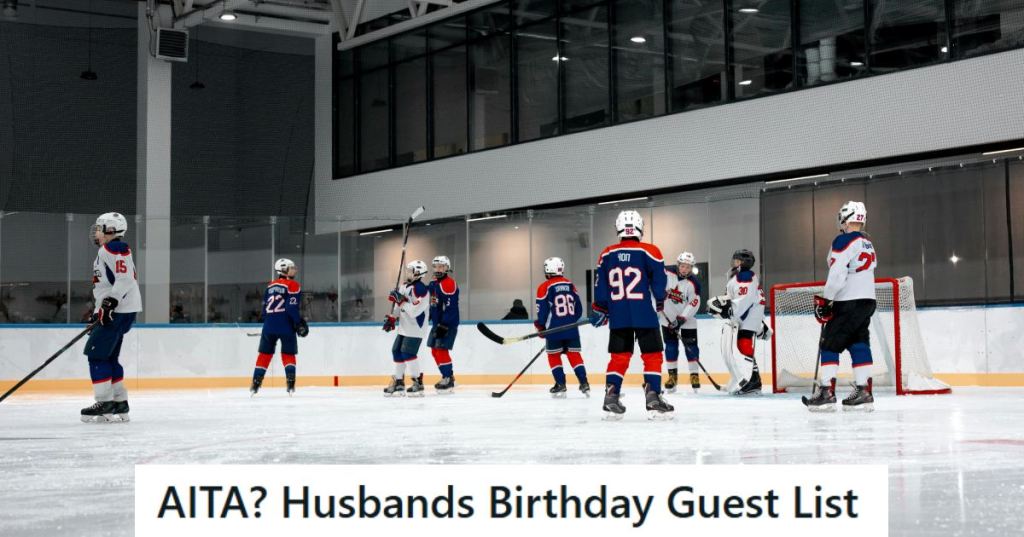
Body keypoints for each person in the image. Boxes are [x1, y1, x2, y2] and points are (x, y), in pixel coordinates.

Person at [589, 210, 674, 420]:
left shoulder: (606, 254)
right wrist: (660, 299)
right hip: (644, 312)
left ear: (619, 229)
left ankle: (611, 396)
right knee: (652, 355)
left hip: (619, 314)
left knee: (619, 357)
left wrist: (601, 308)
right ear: (640, 228)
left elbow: (601, 287)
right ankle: (653, 395)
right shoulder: (651, 251)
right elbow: (659, 284)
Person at [804, 201, 877, 412]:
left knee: (829, 344)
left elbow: (837, 274)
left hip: (848, 301)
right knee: (858, 341)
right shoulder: (867, 243)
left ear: (845, 219)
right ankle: (864, 391)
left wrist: (827, 300)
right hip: (867, 301)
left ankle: (826, 391)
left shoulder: (843, 240)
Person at [80, 212, 142, 423]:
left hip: (117, 311)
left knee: (96, 356)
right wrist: (99, 311)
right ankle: (119, 402)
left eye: (99, 228)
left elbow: (124, 279)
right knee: (109, 357)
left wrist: (109, 304)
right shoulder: (107, 250)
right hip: (118, 311)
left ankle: (104, 402)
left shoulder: (114, 247)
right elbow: (108, 285)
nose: (96, 232)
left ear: (111, 230)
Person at [708, 249, 769, 395]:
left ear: (743, 263)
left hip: (749, 315)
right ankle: (748, 379)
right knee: (741, 346)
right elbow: (734, 297)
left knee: (743, 345)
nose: (734, 263)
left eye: (737, 261)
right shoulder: (737, 276)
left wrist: (730, 311)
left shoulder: (746, 276)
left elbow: (744, 300)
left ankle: (753, 381)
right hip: (747, 315)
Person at [249, 258, 308, 396]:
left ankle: (255, 384)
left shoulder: (269, 286)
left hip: (268, 326)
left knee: (264, 355)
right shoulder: (293, 285)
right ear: (283, 270)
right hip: (286, 325)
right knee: (288, 354)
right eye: (291, 267)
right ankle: (290, 383)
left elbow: (263, 310)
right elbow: (291, 307)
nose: (294, 270)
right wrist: (298, 322)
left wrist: (271, 323)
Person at [535, 257, 590, 398]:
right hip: (572, 328)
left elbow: (542, 311)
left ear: (547, 270)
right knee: (574, 355)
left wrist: (541, 327)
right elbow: (578, 309)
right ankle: (584, 383)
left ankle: (560, 384)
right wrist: (570, 321)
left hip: (554, 329)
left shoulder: (544, 287)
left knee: (553, 356)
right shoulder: (571, 285)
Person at [382, 260, 430, 397]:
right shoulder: (404, 286)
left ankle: (417, 382)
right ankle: (398, 382)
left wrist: (401, 300)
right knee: (396, 351)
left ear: (418, 273)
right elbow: (398, 306)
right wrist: (393, 317)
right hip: (404, 327)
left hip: (416, 328)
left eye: (411, 270)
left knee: (407, 353)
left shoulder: (422, 290)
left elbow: (414, 311)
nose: (407, 272)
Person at [662, 252, 702, 393]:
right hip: (667, 318)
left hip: (687, 319)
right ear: (678, 265)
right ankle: (672, 378)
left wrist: (681, 319)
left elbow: (694, 303)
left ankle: (694, 376)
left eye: (688, 267)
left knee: (691, 347)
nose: (685, 269)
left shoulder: (694, 283)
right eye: (683, 266)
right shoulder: (666, 272)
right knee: (671, 347)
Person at [427, 255, 459, 393]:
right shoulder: (433, 283)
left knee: (441, 350)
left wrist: (444, 324)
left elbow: (450, 307)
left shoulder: (448, 283)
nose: (438, 269)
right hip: (437, 323)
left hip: (447, 323)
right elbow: (432, 302)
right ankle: (447, 376)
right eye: (436, 266)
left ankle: (448, 378)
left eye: (441, 266)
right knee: (434, 350)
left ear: (447, 268)